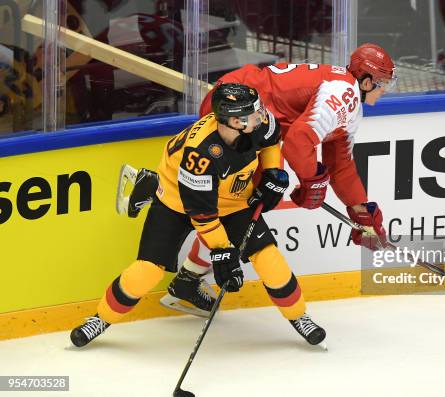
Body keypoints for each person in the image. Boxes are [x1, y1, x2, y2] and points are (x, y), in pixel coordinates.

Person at [71, 83, 326, 348]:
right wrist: (223, 252)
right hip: (176, 201)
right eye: (253, 113)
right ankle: (100, 318)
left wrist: (273, 172)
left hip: (231, 201)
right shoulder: (200, 155)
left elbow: (272, 142)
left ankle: (299, 316)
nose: (261, 115)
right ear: (235, 121)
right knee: (146, 271)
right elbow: (202, 215)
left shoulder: (257, 123)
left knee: (269, 258)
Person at [124, 43, 396, 282]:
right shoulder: (344, 95)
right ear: (367, 81)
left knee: (238, 203)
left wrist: (361, 211)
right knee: (229, 204)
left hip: (254, 119)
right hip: (240, 111)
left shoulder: (348, 99)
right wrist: (312, 180)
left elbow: (340, 164)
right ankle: (157, 191)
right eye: (383, 83)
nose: (385, 91)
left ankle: (189, 275)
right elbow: (299, 142)